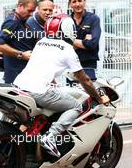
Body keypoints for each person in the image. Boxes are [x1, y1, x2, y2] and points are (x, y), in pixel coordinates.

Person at [14, 14, 109, 158]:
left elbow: (42, 66)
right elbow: (85, 81)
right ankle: (51, 136)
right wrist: (99, 97)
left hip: (19, 87)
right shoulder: (67, 49)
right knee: (76, 106)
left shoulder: (41, 42)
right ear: (68, 30)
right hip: (39, 92)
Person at [0, 0, 37, 83]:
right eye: (29, 11)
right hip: (15, 77)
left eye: (33, 11)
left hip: (26, 74)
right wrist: (21, 55)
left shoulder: (22, 21)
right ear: (20, 6)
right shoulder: (12, 22)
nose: (31, 14)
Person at [68, 0, 101, 80]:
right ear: (70, 4)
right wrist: (84, 41)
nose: (77, 4)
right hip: (71, 64)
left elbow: (92, 44)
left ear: (84, 1)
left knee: (89, 92)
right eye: (74, 1)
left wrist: (70, 40)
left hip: (88, 64)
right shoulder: (66, 21)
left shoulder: (93, 19)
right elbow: (63, 44)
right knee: (72, 93)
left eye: (80, 1)